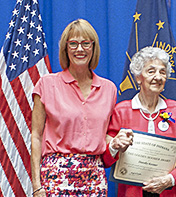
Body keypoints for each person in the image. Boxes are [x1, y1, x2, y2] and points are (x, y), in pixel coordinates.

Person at [31, 19, 120, 196]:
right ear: (65, 48)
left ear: (93, 48)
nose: (80, 49)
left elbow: (105, 136)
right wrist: (36, 186)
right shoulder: (47, 85)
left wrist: (123, 141)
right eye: (73, 43)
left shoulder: (109, 89)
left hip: (94, 177)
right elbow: (36, 136)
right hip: (56, 176)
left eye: (86, 43)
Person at [107, 46, 176, 197]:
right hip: (132, 192)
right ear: (138, 77)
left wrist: (170, 179)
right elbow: (106, 157)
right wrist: (114, 146)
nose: (158, 77)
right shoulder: (121, 111)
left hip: (169, 191)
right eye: (151, 71)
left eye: (162, 72)